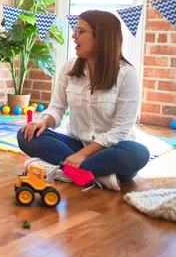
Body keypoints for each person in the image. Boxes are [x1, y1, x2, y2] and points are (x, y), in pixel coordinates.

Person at [18, 10, 150, 191]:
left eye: (80, 31)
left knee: (138, 154)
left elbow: (120, 130)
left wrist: (82, 155)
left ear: (101, 37)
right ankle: (96, 175)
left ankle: (66, 170)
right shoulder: (69, 68)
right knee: (26, 135)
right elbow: (56, 108)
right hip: (76, 143)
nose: (73, 35)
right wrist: (41, 122)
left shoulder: (127, 74)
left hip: (113, 150)